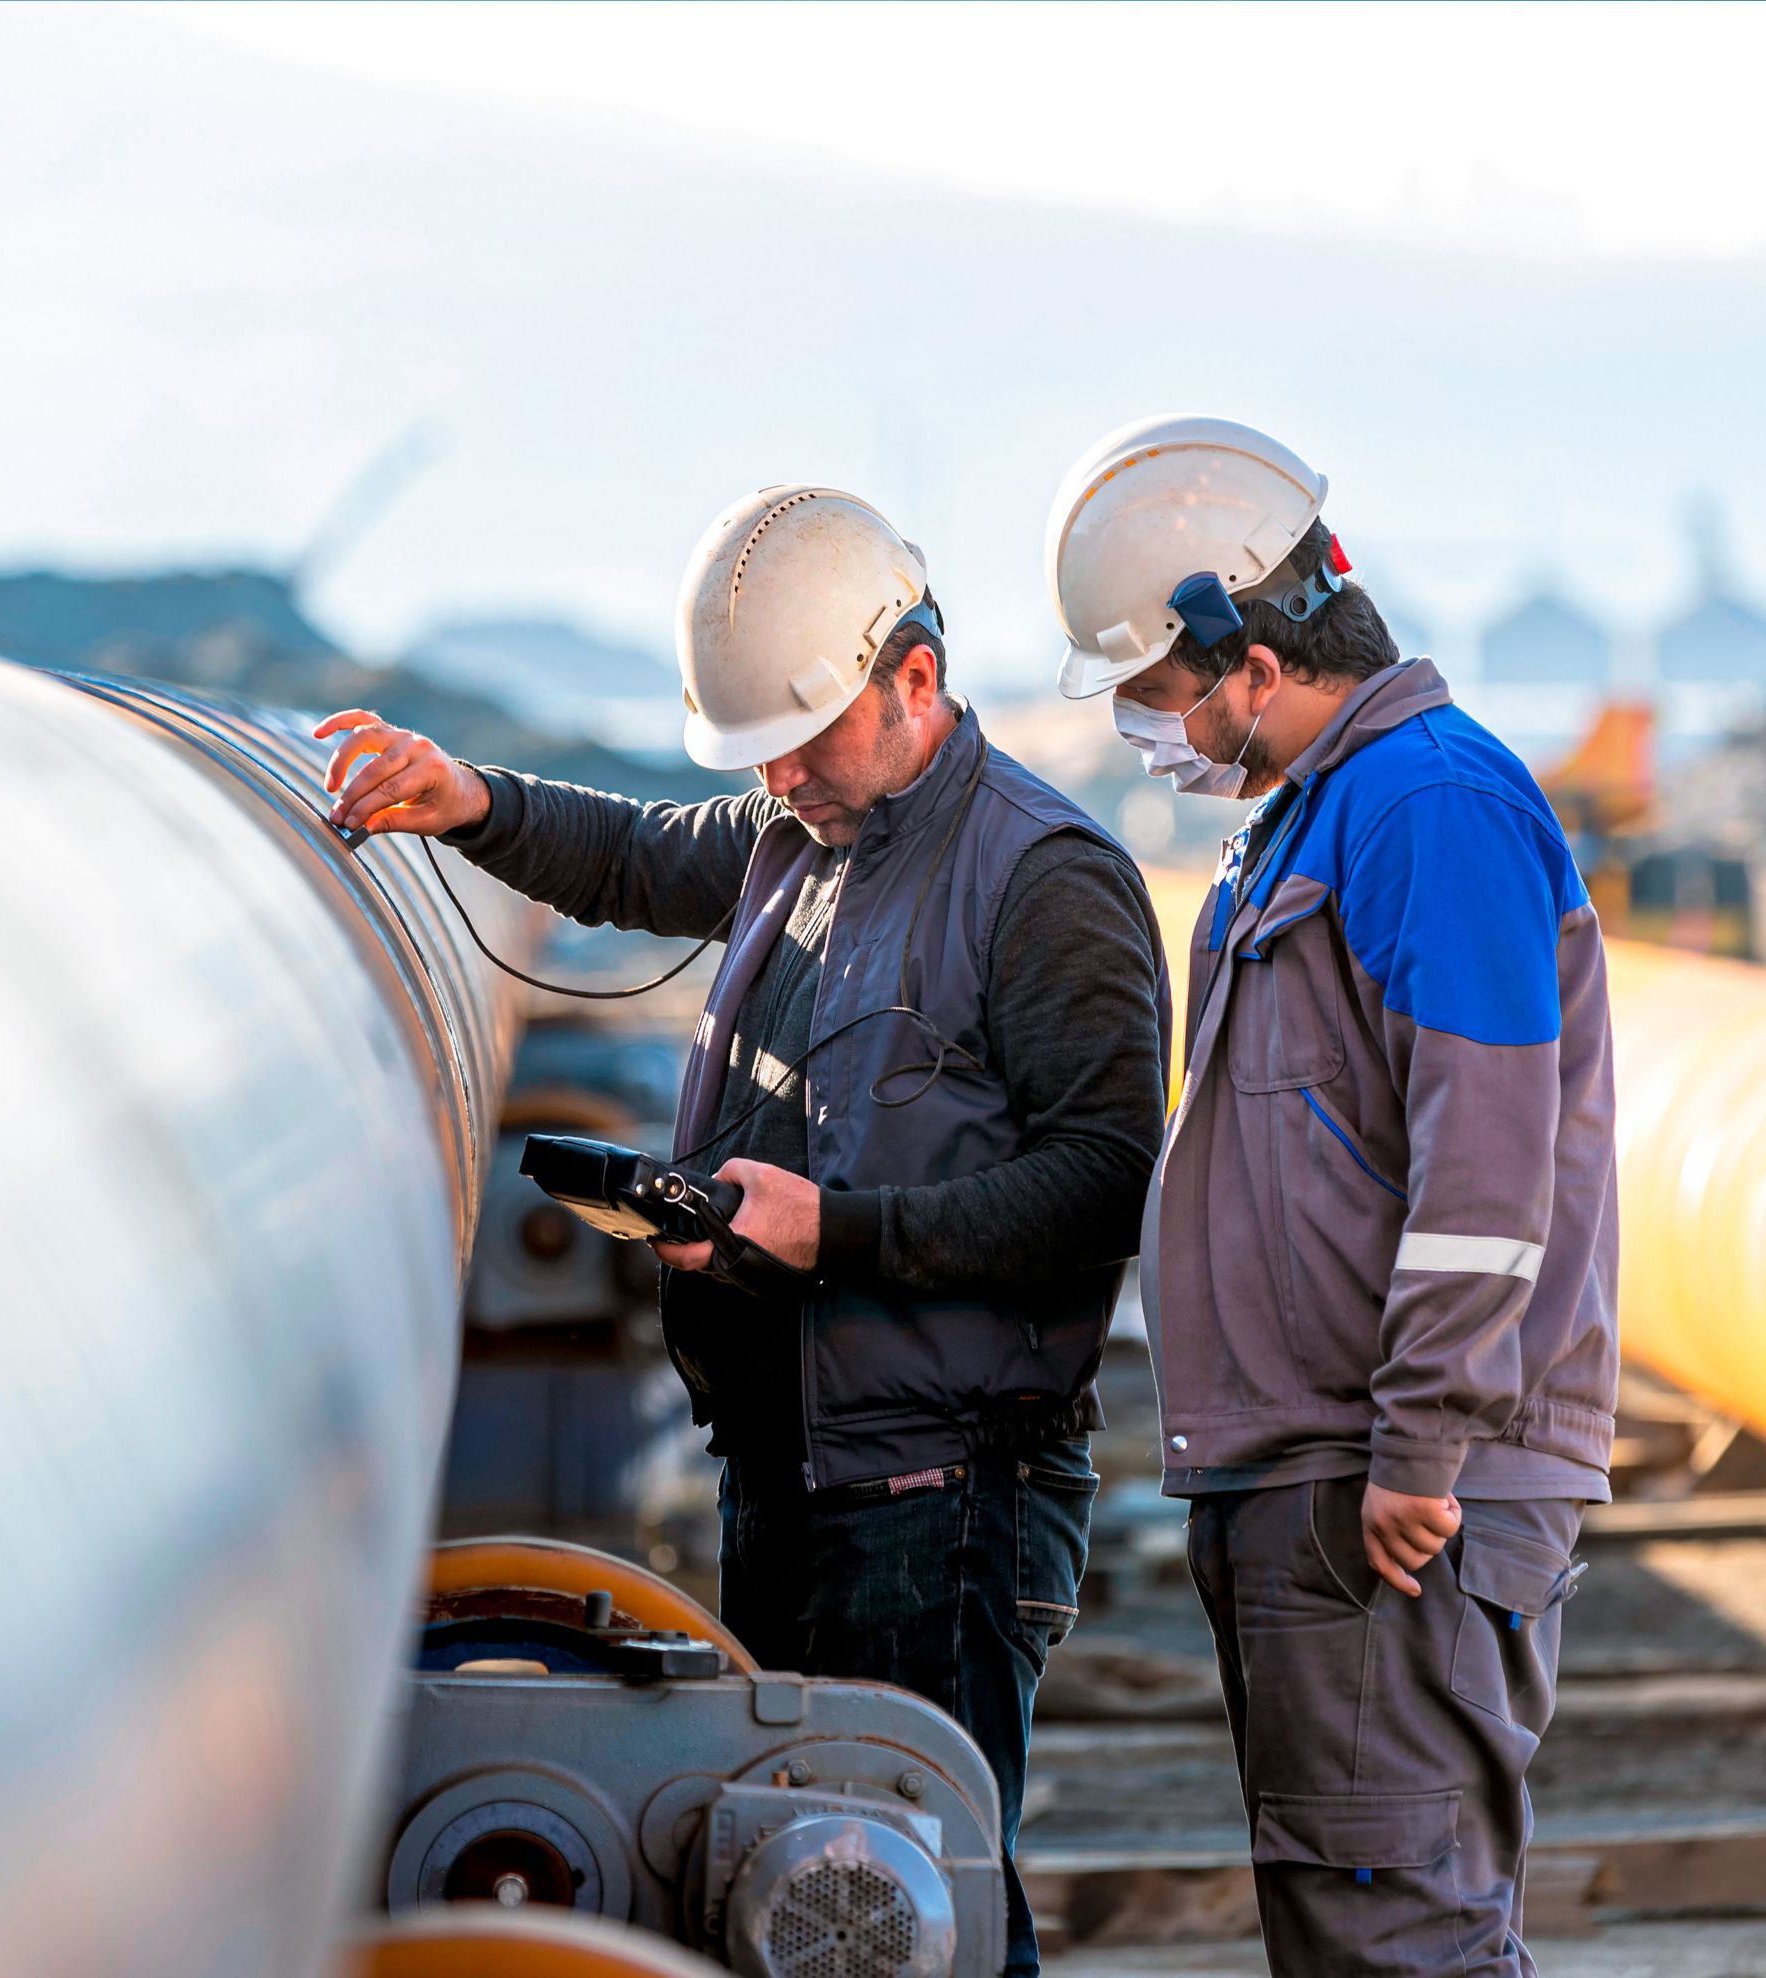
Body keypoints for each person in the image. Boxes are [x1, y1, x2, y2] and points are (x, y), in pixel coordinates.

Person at [320, 485, 1170, 1975]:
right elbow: (643, 854)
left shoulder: (1046, 881)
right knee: (827, 1902)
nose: (779, 771)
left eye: (804, 735)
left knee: (918, 1904)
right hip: (794, 1474)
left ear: (915, 678)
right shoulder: (806, 831)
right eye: (760, 750)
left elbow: (1103, 1184)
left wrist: (836, 1232)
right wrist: (474, 800)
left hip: (938, 1496)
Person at [1046, 414, 1619, 1975]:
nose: (1151, 729)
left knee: (1399, 1938)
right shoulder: (1311, 816)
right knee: (1353, 1923)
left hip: (1396, 1495)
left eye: (1158, 692)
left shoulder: (1428, 806)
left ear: (1242, 645)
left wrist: (1425, 1437)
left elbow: (1491, 1159)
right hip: (1318, 1476)